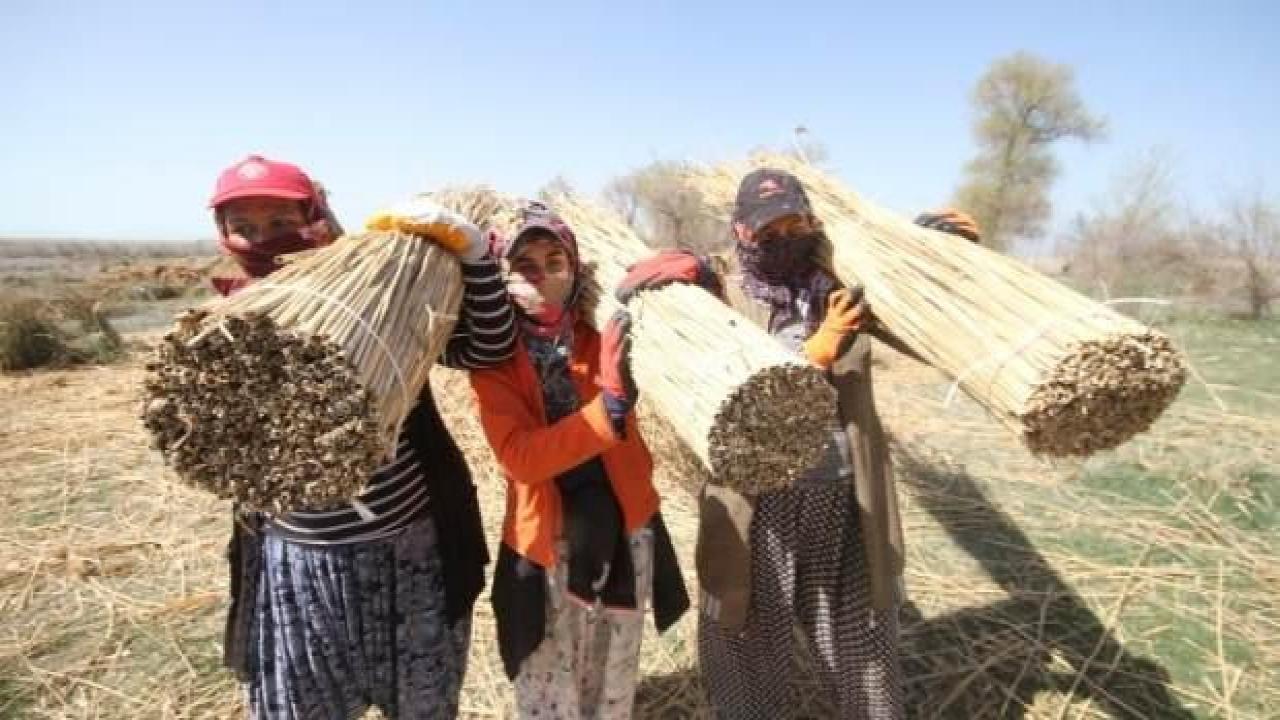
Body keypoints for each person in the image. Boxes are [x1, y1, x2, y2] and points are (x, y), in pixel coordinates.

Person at [209, 154, 517, 719]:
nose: (262, 240)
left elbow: (486, 350)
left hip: (411, 550)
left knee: (422, 707)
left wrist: (475, 262)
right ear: (223, 235)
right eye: (244, 228)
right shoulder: (229, 318)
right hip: (299, 562)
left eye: (280, 222)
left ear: (318, 216)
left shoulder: (385, 291)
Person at [617, 168, 918, 719]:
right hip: (762, 500)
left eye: (795, 222)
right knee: (749, 633)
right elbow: (725, 381)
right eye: (768, 229)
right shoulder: (719, 294)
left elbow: (914, 310)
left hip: (845, 493)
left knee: (860, 638)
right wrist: (814, 354)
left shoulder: (838, 281)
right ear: (741, 231)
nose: (785, 237)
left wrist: (935, 244)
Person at [469, 202, 689, 719]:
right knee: (550, 690)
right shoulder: (494, 359)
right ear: (504, 276)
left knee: (612, 680)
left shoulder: (602, 332)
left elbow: (683, 351)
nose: (542, 277)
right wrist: (605, 409)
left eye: (555, 261)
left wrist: (689, 292)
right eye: (525, 265)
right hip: (548, 544)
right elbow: (520, 459)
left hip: (622, 529)